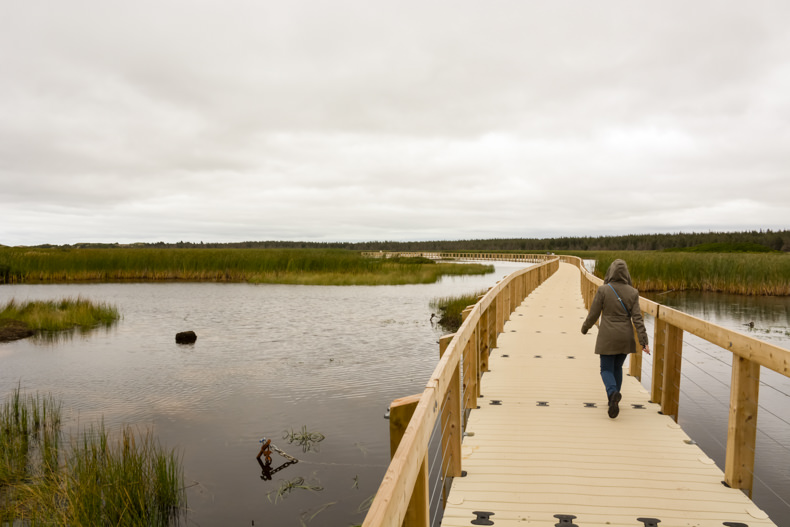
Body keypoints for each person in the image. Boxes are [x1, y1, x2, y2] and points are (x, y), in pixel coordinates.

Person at [581, 259, 651, 418]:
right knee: (617, 367)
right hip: (625, 337)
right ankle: (614, 399)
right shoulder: (633, 292)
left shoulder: (603, 290)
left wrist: (585, 328)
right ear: (626, 274)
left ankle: (612, 393)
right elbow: (638, 319)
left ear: (610, 272)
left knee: (605, 369)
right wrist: (644, 341)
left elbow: (593, 314)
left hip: (608, 337)